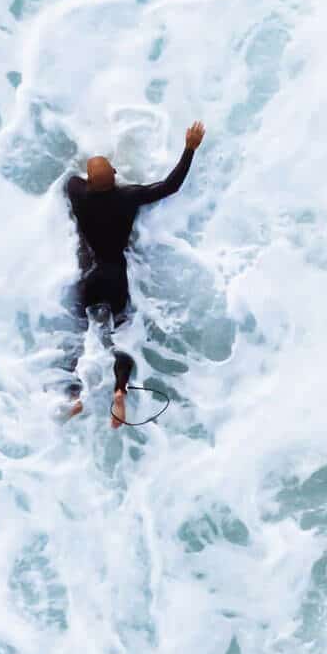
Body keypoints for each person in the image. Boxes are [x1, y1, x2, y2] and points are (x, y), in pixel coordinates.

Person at [62, 120, 205, 426]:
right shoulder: (126, 197)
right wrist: (189, 149)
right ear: (113, 178)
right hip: (115, 277)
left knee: (79, 332)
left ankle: (74, 395)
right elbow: (169, 186)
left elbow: (71, 180)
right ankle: (118, 391)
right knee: (122, 332)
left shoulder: (77, 192)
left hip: (89, 275)